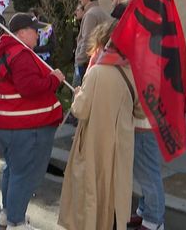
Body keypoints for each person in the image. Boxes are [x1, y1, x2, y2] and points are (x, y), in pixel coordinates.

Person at [59, 21, 145, 230]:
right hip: (121, 144)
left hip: (95, 142)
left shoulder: (96, 71)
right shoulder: (132, 71)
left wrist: (78, 94)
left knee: (92, 192)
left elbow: (80, 110)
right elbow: (140, 111)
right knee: (116, 192)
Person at [0, 13, 64, 229]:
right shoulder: (21, 54)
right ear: (21, 33)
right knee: (24, 174)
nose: (38, 34)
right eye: (34, 30)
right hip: (23, 127)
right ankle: (16, 221)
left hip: (4, 124)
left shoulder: (4, 50)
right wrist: (54, 79)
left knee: (13, 170)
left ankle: (8, 213)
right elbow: (29, 88)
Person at [74, 0, 110, 86]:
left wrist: (79, 60)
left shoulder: (90, 14)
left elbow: (87, 40)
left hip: (87, 62)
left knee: (79, 94)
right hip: (98, 59)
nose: (80, 0)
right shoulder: (102, 12)